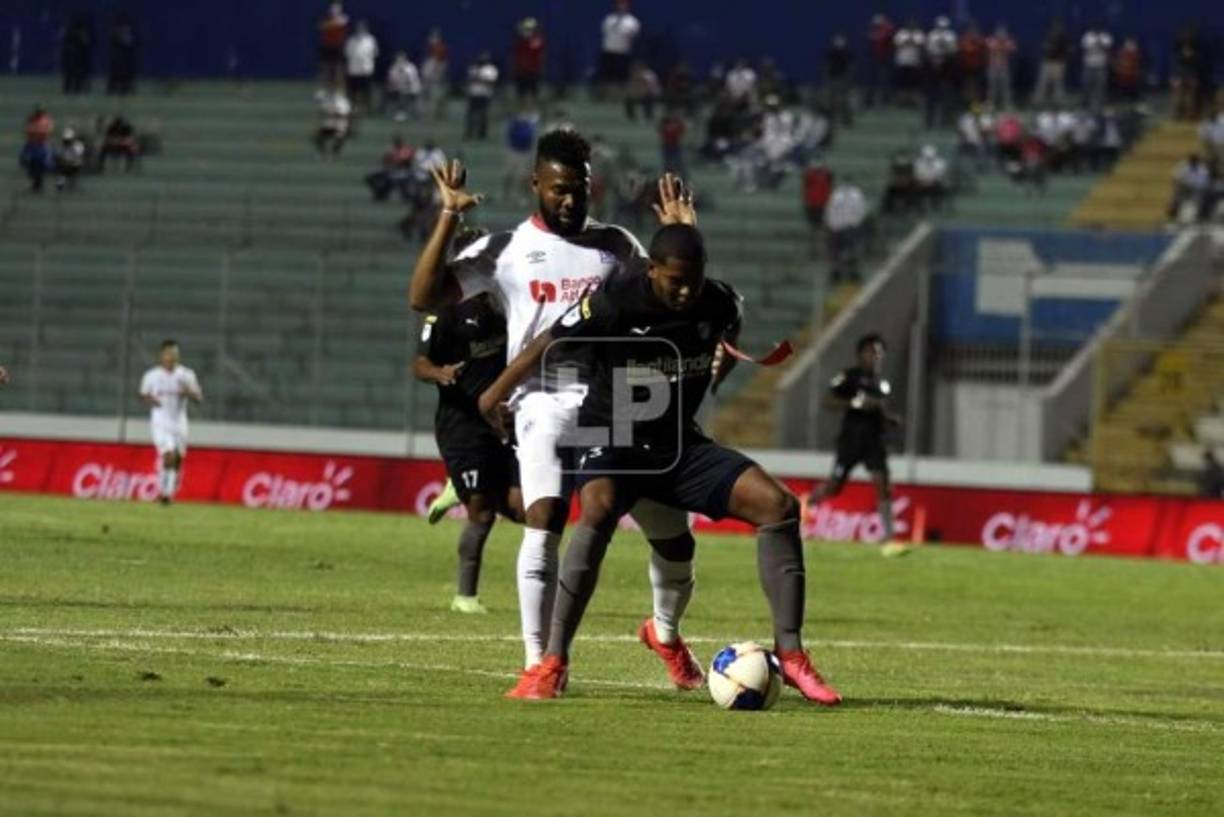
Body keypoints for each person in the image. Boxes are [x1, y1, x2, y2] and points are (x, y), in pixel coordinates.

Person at [475, 216, 844, 705]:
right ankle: (551, 665)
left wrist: (719, 369)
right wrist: (493, 395)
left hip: (676, 445)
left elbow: (728, 332)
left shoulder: (720, 300)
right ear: (652, 271)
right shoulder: (617, 300)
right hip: (612, 434)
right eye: (675, 282)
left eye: (694, 280)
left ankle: (791, 656)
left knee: (777, 507)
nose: (686, 292)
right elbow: (549, 341)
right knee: (599, 509)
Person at [407, 135, 705, 697]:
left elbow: (673, 296)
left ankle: (664, 633)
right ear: (537, 186)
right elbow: (424, 295)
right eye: (561, 190)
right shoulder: (507, 248)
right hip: (541, 395)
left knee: (674, 538)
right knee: (545, 517)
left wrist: (684, 236)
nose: (571, 201)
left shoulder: (617, 246)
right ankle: (539, 663)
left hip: (616, 396)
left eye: (581, 190)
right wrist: (447, 216)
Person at [415, 277, 525, 612]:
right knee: (482, 514)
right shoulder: (445, 314)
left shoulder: (506, 306)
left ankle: (456, 485)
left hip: (502, 421)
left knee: (523, 509)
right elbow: (419, 362)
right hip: (462, 425)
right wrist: (439, 372)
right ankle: (465, 597)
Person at [806, 334, 906, 556]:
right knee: (834, 487)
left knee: (883, 483)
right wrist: (852, 402)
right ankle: (808, 504)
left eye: (879, 353)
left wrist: (888, 418)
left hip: (873, 442)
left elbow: (877, 411)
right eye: (872, 352)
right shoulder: (848, 377)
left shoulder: (883, 384)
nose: (876, 357)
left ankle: (888, 537)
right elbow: (827, 401)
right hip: (851, 441)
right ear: (860, 354)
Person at [139, 340, 203, 506]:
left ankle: (169, 490)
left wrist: (188, 392)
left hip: (179, 422)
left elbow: (199, 398)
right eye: (168, 354)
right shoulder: (152, 376)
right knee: (168, 455)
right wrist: (151, 400)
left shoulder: (187, 375)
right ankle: (165, 494)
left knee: (178, 459)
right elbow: (143, 395)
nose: (171, 357)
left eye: (175, 354)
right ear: (162, 356)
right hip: (160, 421)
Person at [825, 179, 868, 282]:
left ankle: (853, 273)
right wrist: (833, 225)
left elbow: (861, 210)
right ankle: (836, 273)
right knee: (835, 252)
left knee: (853, 251)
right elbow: (830, 211)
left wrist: (854, 223)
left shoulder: (856, 195)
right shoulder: (836, 195)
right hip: (837, 228)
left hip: (851, 227)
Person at [597, 0, 641, 98]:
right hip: (609, 51)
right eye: (620, 4)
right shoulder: (609, 19)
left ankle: (621, 96)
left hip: (623, 52)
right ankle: (607, 95)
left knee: (622, 76)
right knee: (607, 76)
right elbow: (605, 32)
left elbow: (635, 35)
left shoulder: (632, 21)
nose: (621, 7)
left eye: (624, 5)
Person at [924, 16, 958, 129]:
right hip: (933, 67)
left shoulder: (951, 36)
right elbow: (928, 51)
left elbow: (953, 51)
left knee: (947, 94)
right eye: (940, 27)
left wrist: (944, 58)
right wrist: (934, 61)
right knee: (932, 96)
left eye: (943, 27)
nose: (941, 29)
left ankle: (946, 120)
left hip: (947, 66)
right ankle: (930, 120)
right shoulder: (932, 35)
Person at [502, 106, 539, 205]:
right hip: (513, 151)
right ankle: (506, 196)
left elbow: (529, 137)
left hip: (525, 153)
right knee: (508, 175)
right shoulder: (514, 122)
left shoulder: (531, 122)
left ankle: (525, 197)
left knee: (523, 177)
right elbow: (510, 135)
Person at [365, 135, 415, 202]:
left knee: (394, 178)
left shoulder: (406, 149)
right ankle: (379, 193)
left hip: (403, 171)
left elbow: (403, 160)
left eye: (398, 141)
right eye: (395, 142)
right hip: (391, 170)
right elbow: (385, 160)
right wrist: (387, 160)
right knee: (370, 177)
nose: (396, 143)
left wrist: (394, 159)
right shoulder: (392, 150)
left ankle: (385, 194)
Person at [1032, 21, 1069, 108]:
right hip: (1047, 62)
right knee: (1042, 83)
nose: (1057, 29)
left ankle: (1058, 102)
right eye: (1055, 28)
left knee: (1058, 84)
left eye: (1058, 28)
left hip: (1058, 63)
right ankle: (1038, 102)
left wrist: (1062, 62)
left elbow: (1066, 51)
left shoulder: (1063, 39)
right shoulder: (1048, 37)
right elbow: (1044, 49)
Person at [344, 20, 379, 113]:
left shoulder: (371, 40)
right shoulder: (351, 40)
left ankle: (367, 108)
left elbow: (375, 53)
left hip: (366, 70)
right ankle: (353, 106)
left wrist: (366, 59)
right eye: (359, 29)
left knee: (366, 91)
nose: (360, 31)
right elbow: (347, 53)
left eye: (362, 29)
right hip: (353, 70)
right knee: (353, 91)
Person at [802, 160, 833, 258]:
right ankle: (815, 251)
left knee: (822, 229)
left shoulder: (826, 175)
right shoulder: (810, 175)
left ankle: (822, 250)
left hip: (822, 205)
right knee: (815, 230)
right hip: (814, 205)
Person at [464, 53, 498, 140]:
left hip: (484, 95)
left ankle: (482, 134)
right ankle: (469, 133)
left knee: (483, 114)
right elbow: (469, 80)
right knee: (471, 114)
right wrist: (478, 79)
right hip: (473, 94)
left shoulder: (491, 69)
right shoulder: (473, 68)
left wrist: (481, 79)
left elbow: (492, 82)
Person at [20, 106, 55, 192]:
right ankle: (34, 182)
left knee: (44, 164)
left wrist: (37, 132)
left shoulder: (47, 120)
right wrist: (37, 132)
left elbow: (48, 130)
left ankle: (39, 182)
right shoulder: (31, 119)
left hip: (42, 146)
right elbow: (28, 130)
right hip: (31, 145)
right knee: (29, 162)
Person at [892, 19, 925, 108]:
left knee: (914, 85)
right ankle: (902, 103)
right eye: (909, 24)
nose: (911, 25)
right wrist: (908, 41)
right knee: (902, 84)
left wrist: (910, 41)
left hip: (914, 62)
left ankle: (914, 103)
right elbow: (896, 44)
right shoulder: (901, 33)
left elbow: (920, 44)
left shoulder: (919, 34)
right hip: (902, 62)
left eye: (913, 24)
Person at [511, 18, 545, 103]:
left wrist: (528, 36)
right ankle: (520, 111)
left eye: (529, 29)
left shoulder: (537, 40)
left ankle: (532, 111)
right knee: (520, 93)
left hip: (532, 71)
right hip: (521, 71)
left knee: (532, 92)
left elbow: (536, 47)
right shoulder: (519, 42)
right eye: (526, 29)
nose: (527, 31)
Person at [1168, 154, 1211, 222]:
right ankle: (1173, 214)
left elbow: (1204, 181)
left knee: (1202, 195)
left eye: (1195, 161)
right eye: (1192, 160)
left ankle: (1199, 214)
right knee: (1175, 197)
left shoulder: (1202, 168)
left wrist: (1195, 185)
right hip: (1184, 188)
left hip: (1196, 189)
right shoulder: (1183, 166)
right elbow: (1176, 178)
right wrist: (1180, 185)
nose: (1194, 162)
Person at [865, 13, 896, 107]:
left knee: (884, 79)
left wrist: (878, 36)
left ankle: (885, 99)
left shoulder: (888, 28)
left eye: (878, 24)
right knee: (872, 79)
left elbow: (887, 37)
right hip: (875, 57)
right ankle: (869, 99)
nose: (876, 26)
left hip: (885, 57)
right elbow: (870, 39)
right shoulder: (874, 30)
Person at [824, 34, 854, 128]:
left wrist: (848, 78)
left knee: (844, 101)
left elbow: (850, 67)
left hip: (842, 79)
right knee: (833, 101)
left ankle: (847, 120)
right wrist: (827, 75)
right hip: (834, 78)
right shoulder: (831, 53)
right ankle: (832, 120)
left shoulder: (846, 53)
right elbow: (827, 66)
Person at [317, 2, 349, 90]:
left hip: (338, 47)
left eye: (337, 8)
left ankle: (338, 92)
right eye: (333, 8)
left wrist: (332, 23)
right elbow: (322, 26)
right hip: (327, 47)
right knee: (325, 69)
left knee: (339, 70)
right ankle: (323, 90)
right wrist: (332, 23)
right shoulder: (326, 18)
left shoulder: (344, 18)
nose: (335, 10)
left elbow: (341, 23)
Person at [1081, 28, 1114, 112]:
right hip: (1089, 65)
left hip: (1101, 66)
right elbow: (1085, 48)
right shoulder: (1088, 36)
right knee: (1087, 84)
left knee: (1100, 86)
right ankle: (1086, 103)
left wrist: (1100, 43)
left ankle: (1100, 105)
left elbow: (1108, 47)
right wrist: (1095, 44)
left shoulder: (1105, 36)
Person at [985, 25, 1016, 111]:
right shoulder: (992, 41)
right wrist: (1001, 46)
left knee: (1006, 88)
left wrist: (1005, 44)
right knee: (992, 88)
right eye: (999, 36)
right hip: (993, 68)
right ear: (996, 35)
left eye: (1002, 36)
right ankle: (991, 104)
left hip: (1003, 69)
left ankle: (1007, 104)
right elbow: (988, 44)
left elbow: (1013, 47)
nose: (1001, 37)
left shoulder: (1006, 42)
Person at [313, 88, 351, 157]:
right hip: (329, 124)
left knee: (340, 135)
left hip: (340, 125)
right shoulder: (327, 101)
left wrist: (333, 113)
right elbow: (322, 113)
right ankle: (324, 153)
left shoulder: (343, 102)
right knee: (317, 137)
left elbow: (344, 115)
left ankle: (335, 152)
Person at [421, 29, 449, 121]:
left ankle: (435, 115)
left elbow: (440, 69)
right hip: (429, 80)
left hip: (436, 82)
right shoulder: (428, 59)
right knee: (427, 97)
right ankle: (427, 115)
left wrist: (436, 75)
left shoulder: (441, 53)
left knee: (435, 97)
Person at [60, 15, 93, 94]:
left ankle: (73, 88)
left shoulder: (70, 31)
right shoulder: (78, 32)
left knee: (74, 75)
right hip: (75, 57)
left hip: (75, 57)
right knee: (74, 75)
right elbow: (86, 43)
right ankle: (73, 88)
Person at [385, 51, 422, 122]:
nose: (400, 61)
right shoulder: (393, 68)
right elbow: (391, 81)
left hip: (412, 89)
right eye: (398, 59)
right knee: (395, 93)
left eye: (401, 59)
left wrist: (403, 88)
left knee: (403, 94)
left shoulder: (411, 68)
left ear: (405, 59)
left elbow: (412, 82)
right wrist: (392, 87)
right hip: (399, 88)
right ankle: (399, 112)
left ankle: (403, 113)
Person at [107, 13, 137, 95]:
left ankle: (126, 88)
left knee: (127, 74)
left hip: (127, 58)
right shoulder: (115, 32)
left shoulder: (130, 32)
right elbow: (112, 42)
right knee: (116, 73)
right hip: (118, 57)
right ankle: (113, 89)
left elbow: (134, 43)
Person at [958, 21, 986, 105]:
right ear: (968, 30)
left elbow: (984, 48)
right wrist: (974, 44)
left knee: (978, 87)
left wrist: (977, 42)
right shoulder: (964, 39)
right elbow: (967, 49)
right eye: (971, 30)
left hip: (978, 67)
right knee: (967, 87)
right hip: (966, 68)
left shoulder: (980, 39)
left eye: (975, 30)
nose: (973, 32)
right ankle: (966, 103)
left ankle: (978, 103)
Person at [914, 144, 949, 208]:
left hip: (935, 183)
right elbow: (917, 175)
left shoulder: (940, 163)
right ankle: (920, 205)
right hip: (922, 183)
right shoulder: (918, 163)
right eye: (926, 157)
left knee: (939, 187)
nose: (928, 159)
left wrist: (932, 180)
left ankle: (937, 204)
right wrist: (924, 180)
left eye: (930, 157)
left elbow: (941, 175)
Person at [659, 108, 686, 177]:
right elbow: (662, 132)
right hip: (667, 146)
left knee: (678, 162)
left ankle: (681, 175)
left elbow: (682, 131)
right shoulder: (664, 125)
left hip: (675, 146)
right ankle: (667, 175)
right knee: (668, 163)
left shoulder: (678, 125)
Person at [1113, 38, 1142, 103]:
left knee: (1132, 88)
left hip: (1132, 75)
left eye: (1132, 44)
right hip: (1122, 75)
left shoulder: (1136, 53)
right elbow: (1117, 62)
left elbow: (1137, 64)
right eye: (1128, 43)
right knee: (1121, 87)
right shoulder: (1121, 52)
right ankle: (1121, 99)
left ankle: (1132, 100)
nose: (1130, 46)